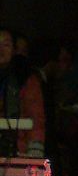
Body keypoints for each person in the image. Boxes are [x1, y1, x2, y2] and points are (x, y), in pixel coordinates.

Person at [0, 27, 45, 158]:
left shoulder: (26, 78)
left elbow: (35, 117)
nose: (1, 49)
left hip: (17, 151)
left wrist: (35, 151)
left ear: (14, 50)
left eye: (6, 45)